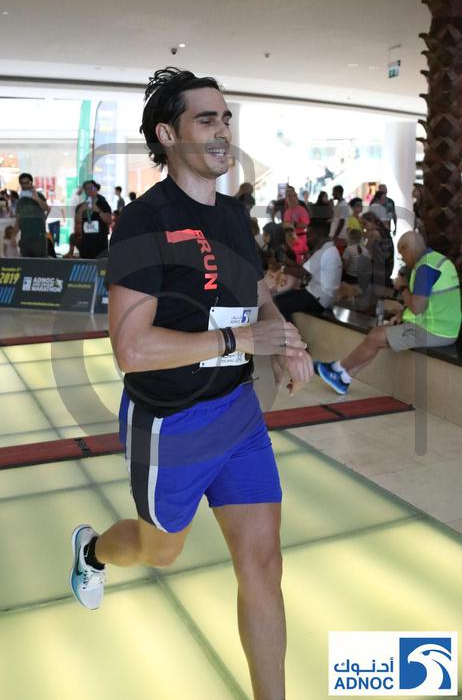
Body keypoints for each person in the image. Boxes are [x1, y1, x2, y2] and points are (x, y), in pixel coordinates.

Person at [69, 66, 313, 700]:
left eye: (226, 118)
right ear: (167, 134)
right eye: (206, 119)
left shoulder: (233, 215)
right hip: (171, 424)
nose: (223, 130)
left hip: (238, 414)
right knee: (160, 551)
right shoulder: (142, 222)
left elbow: (256, 292)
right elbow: (131, 349)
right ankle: (93, 552)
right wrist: (241, 341)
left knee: (263, 563)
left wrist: (282, 337)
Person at [316, 231, 461, 394]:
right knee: (376, 337)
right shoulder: (437, 260)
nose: (403, 260)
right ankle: (344, 377)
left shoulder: (425, 268)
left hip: (434, 330)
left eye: (402, 255)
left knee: (375, 337)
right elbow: (429, 301)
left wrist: (402, 286)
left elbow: (417, 307)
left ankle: (337, 368)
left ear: (407, 249)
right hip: (444, 328)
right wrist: (402, 314)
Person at [275, 220, 342, 322]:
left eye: (309, 235)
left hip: (319, 298)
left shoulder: (324, 252)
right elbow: (304, 268)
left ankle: (290, 332)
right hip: (317, 293)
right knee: (278, 298)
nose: (308, 239)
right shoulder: (330, 249)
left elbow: (301, 273)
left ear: (319, 235)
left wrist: (282, 268)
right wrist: (289, 262)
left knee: (280, 305)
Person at [74, 180, 112, 258]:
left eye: (92, 188)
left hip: (100, 242)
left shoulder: (103, 204)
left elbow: (109, 220)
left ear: (96, 189)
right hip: (86, 243)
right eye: (87, 189)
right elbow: (77, 223)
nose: (90, 190)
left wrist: (98, 211)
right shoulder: (81, 206)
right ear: (84, 191)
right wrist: (81, 210)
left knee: (101, 263)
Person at [14, 173, 49, 257]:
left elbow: (46, 208)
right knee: (26, 263)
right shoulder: (20, 201)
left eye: (27, 183)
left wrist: (36, 198)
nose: (25, 185)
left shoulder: (39, 196)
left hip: (39, 238)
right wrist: (13, 236)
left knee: (40, 262)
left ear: (31, 183)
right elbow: (18, 220)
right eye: (23, 183)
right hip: (25, 239)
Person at [361, 211, 394, 292]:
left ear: (372, 221)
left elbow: (366, 249)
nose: (364, 227)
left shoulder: (373, 232)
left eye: (365, 224)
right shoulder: (383, 229)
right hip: (388, 262)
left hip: (380, 264)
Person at [283, 187, 310, 261]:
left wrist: (293, 224)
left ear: (296, 196)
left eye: (292, 195)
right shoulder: (287, 212)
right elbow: (285, 225)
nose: (290, 198)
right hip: (290, 240)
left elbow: (306, 225)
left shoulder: (301, 210)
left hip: (300, 239)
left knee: (300, 261)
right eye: (288, 196)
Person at [330, 185, 351, 252]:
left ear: (338, 193)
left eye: (334, 192)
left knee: (338, 253)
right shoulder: (339, 204)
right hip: (337, 234)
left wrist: (336, 235)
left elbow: (342, 221)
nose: (332, 194)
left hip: (340, 236)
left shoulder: (343, 205)